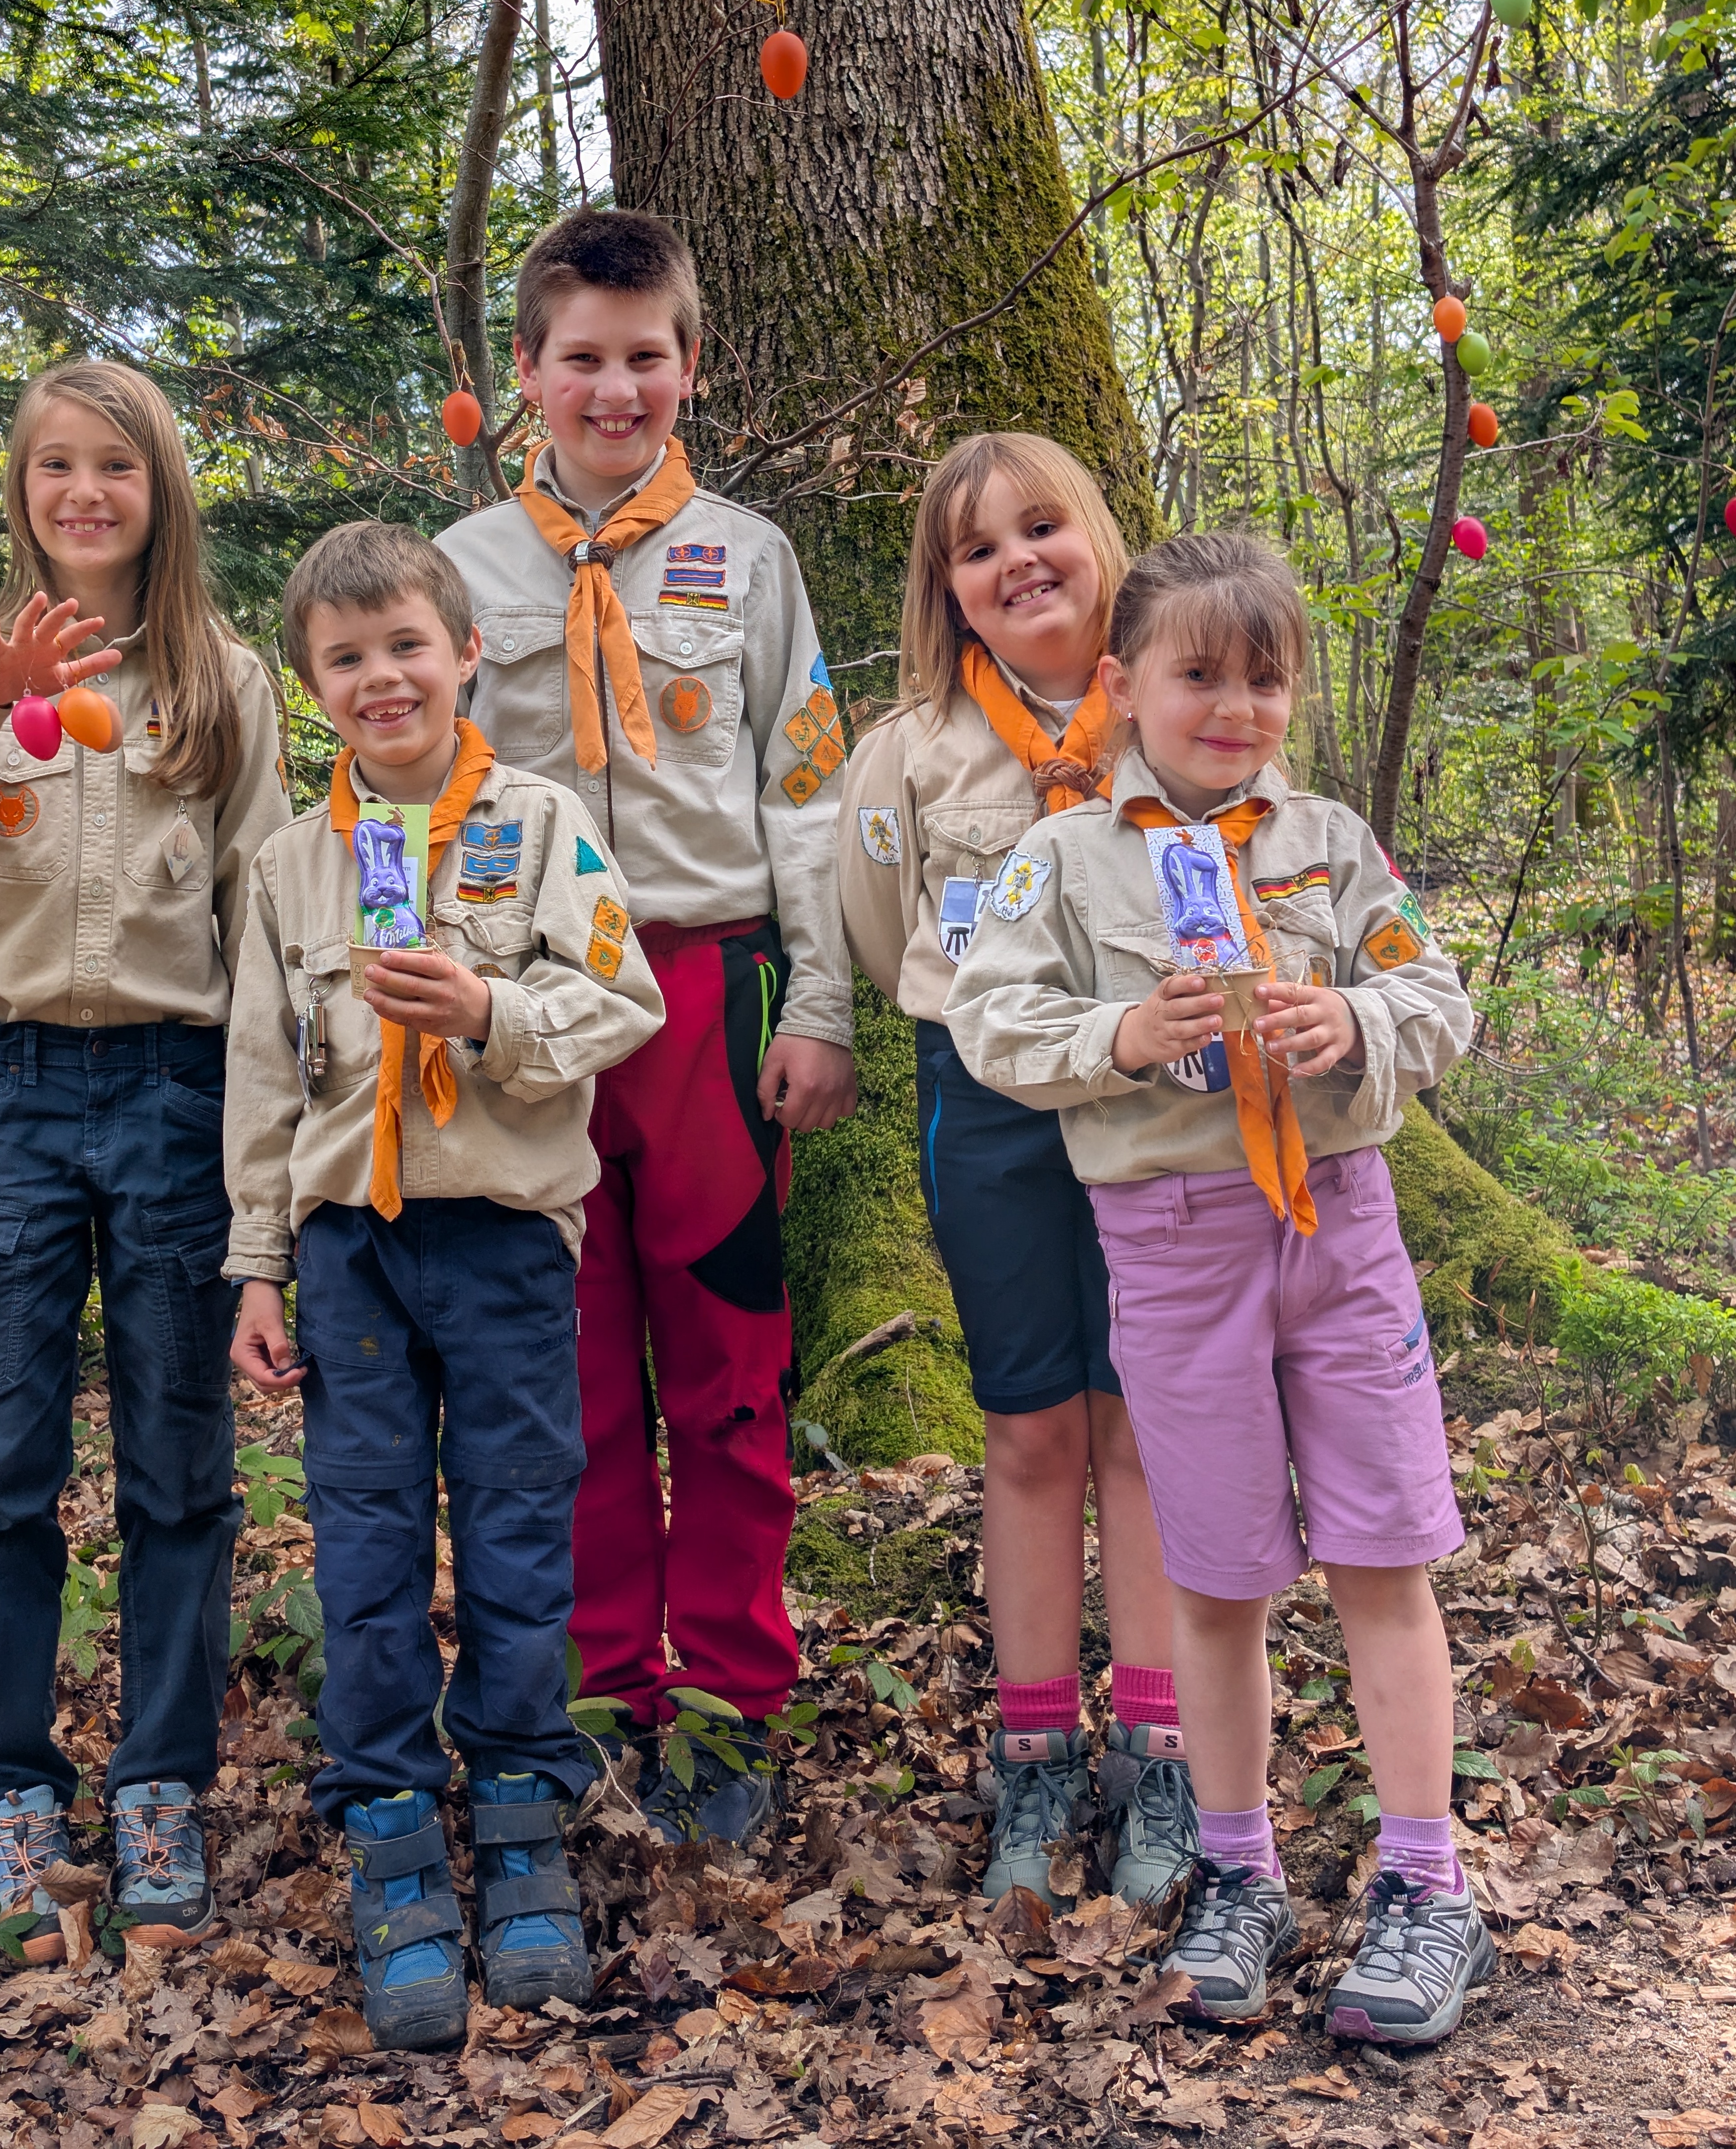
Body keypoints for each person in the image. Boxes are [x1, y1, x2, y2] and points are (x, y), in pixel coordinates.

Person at [944, 530, 1489, 2043]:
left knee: (1386, 1551)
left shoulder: (1329, 842)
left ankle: (1428, 1884)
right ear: (1123, 686)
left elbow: (1436, 991)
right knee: (1223, 1574)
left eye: (1266, 678)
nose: (1235, 706)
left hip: (1339, 1229)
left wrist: (1360, 1025)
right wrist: (1122, 1039)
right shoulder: (1058, 861)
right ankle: (1239, 1873)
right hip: (1172, 1249)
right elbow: (992, 1025)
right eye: (1200, 675)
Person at [0, 360, 290, 1956]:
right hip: (7, 1099)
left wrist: (259, 1169)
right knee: (2, 1477)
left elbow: (267, 932)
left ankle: (160, 1782)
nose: (85, 495)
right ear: (17, 492)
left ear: (162, 490)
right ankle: (10, 1788)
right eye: (54, 469)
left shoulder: (225, 681)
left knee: (180, 1474)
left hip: (174, 1093)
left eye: (118, 468)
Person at [435, 208, 856, 1847]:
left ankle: (735, 1695)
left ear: (691, 365)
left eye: (647, 357)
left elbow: (807, 792)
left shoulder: (749, 560)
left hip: (706, 991)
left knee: (731, 1370)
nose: (617, 389)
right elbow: (417, 794)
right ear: (526, 374)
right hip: (529, 1008)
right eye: (584, 360)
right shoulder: (460, 575)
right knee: (567, 1374)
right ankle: (599, 1679)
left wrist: (818, 1001)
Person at [226, 521, 665, 2050]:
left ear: (467, 653)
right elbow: (263, 1082)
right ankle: (392, 1818)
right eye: (346, 660)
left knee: (518, 1519)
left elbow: (627, 997)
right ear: (314, 689)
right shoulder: (293, 864)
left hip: (502, 1236)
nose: (381, 678)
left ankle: (524, 1805)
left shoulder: (542, 828)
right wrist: (256, 1268)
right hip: (349, 1243)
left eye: (406, 646)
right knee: (361, 1534)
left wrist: (489, 1008)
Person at [839, 433, 1193, 1909]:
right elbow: (876, 926)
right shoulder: (909, 750)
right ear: (953, 595)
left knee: (1150, 1429)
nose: (1019, 563)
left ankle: (1168, 1754)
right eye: (980, 552)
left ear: (1097, 539)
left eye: (1043, 528)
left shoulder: (1174, 705)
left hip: (1159, 1103)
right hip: (987, 1109)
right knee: (1033, 1426)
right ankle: (1038, 1759)